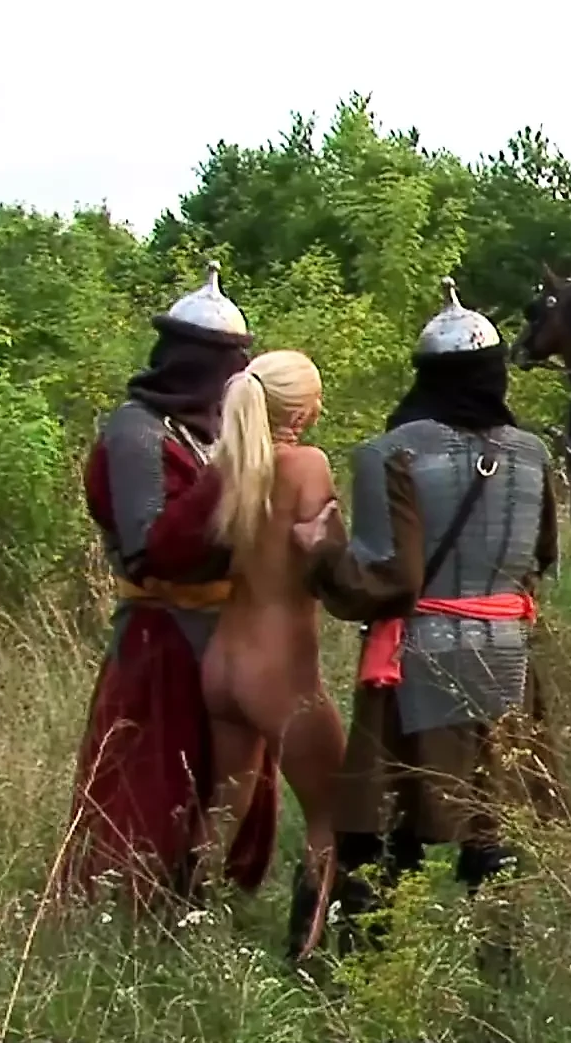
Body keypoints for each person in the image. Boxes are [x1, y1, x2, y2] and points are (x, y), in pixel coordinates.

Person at [293, 278, 564, 968]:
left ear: (427, 375)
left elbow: (390, 579)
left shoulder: (393, 451)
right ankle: (499, 971)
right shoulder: (534, 455)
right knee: (494, 825)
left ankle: (367, 971)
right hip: (509, 658)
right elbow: (539, 561)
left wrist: (320, 557)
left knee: (385, 826)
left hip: (419, 659)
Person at [60, 261, 277, 908]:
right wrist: (231, 474)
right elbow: (152, 548)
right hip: (160, 638)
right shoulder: (136, 430)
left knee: (223, 785)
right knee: (148, 787)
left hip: (223, 637)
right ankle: (127, 917)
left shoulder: (208, 429)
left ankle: (201, 905)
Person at [198, 349, 349, 961]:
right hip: (280, 666)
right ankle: (307, 951)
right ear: (303, 409)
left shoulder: (226, 465)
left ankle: (190, 924)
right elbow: (327, 557)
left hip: (223, 663)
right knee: (333, 811)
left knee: (220, 808)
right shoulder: (306, 464)